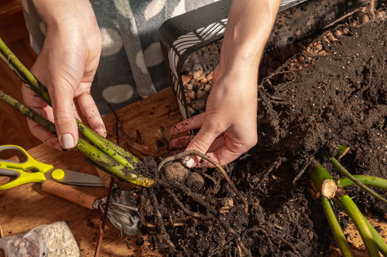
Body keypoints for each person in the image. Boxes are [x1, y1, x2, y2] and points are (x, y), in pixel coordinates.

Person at [20, 0, 286, 168]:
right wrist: (66, 16)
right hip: (76, 43)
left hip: (192, 27)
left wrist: (238, 67)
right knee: (92, 112)